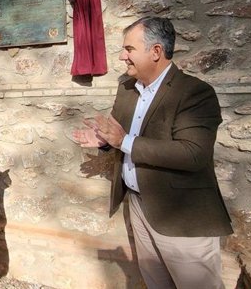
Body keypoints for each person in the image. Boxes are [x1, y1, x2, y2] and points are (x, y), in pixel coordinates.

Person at [73, 17, 233, 289]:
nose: (123, 56)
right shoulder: (127, 88)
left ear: (156, 51)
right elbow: (119, 134)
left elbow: (193, 154)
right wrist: (103, 140)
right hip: (138, 206)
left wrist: (123, 141)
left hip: (181, 217)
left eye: (129, 49)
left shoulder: (195, 93)